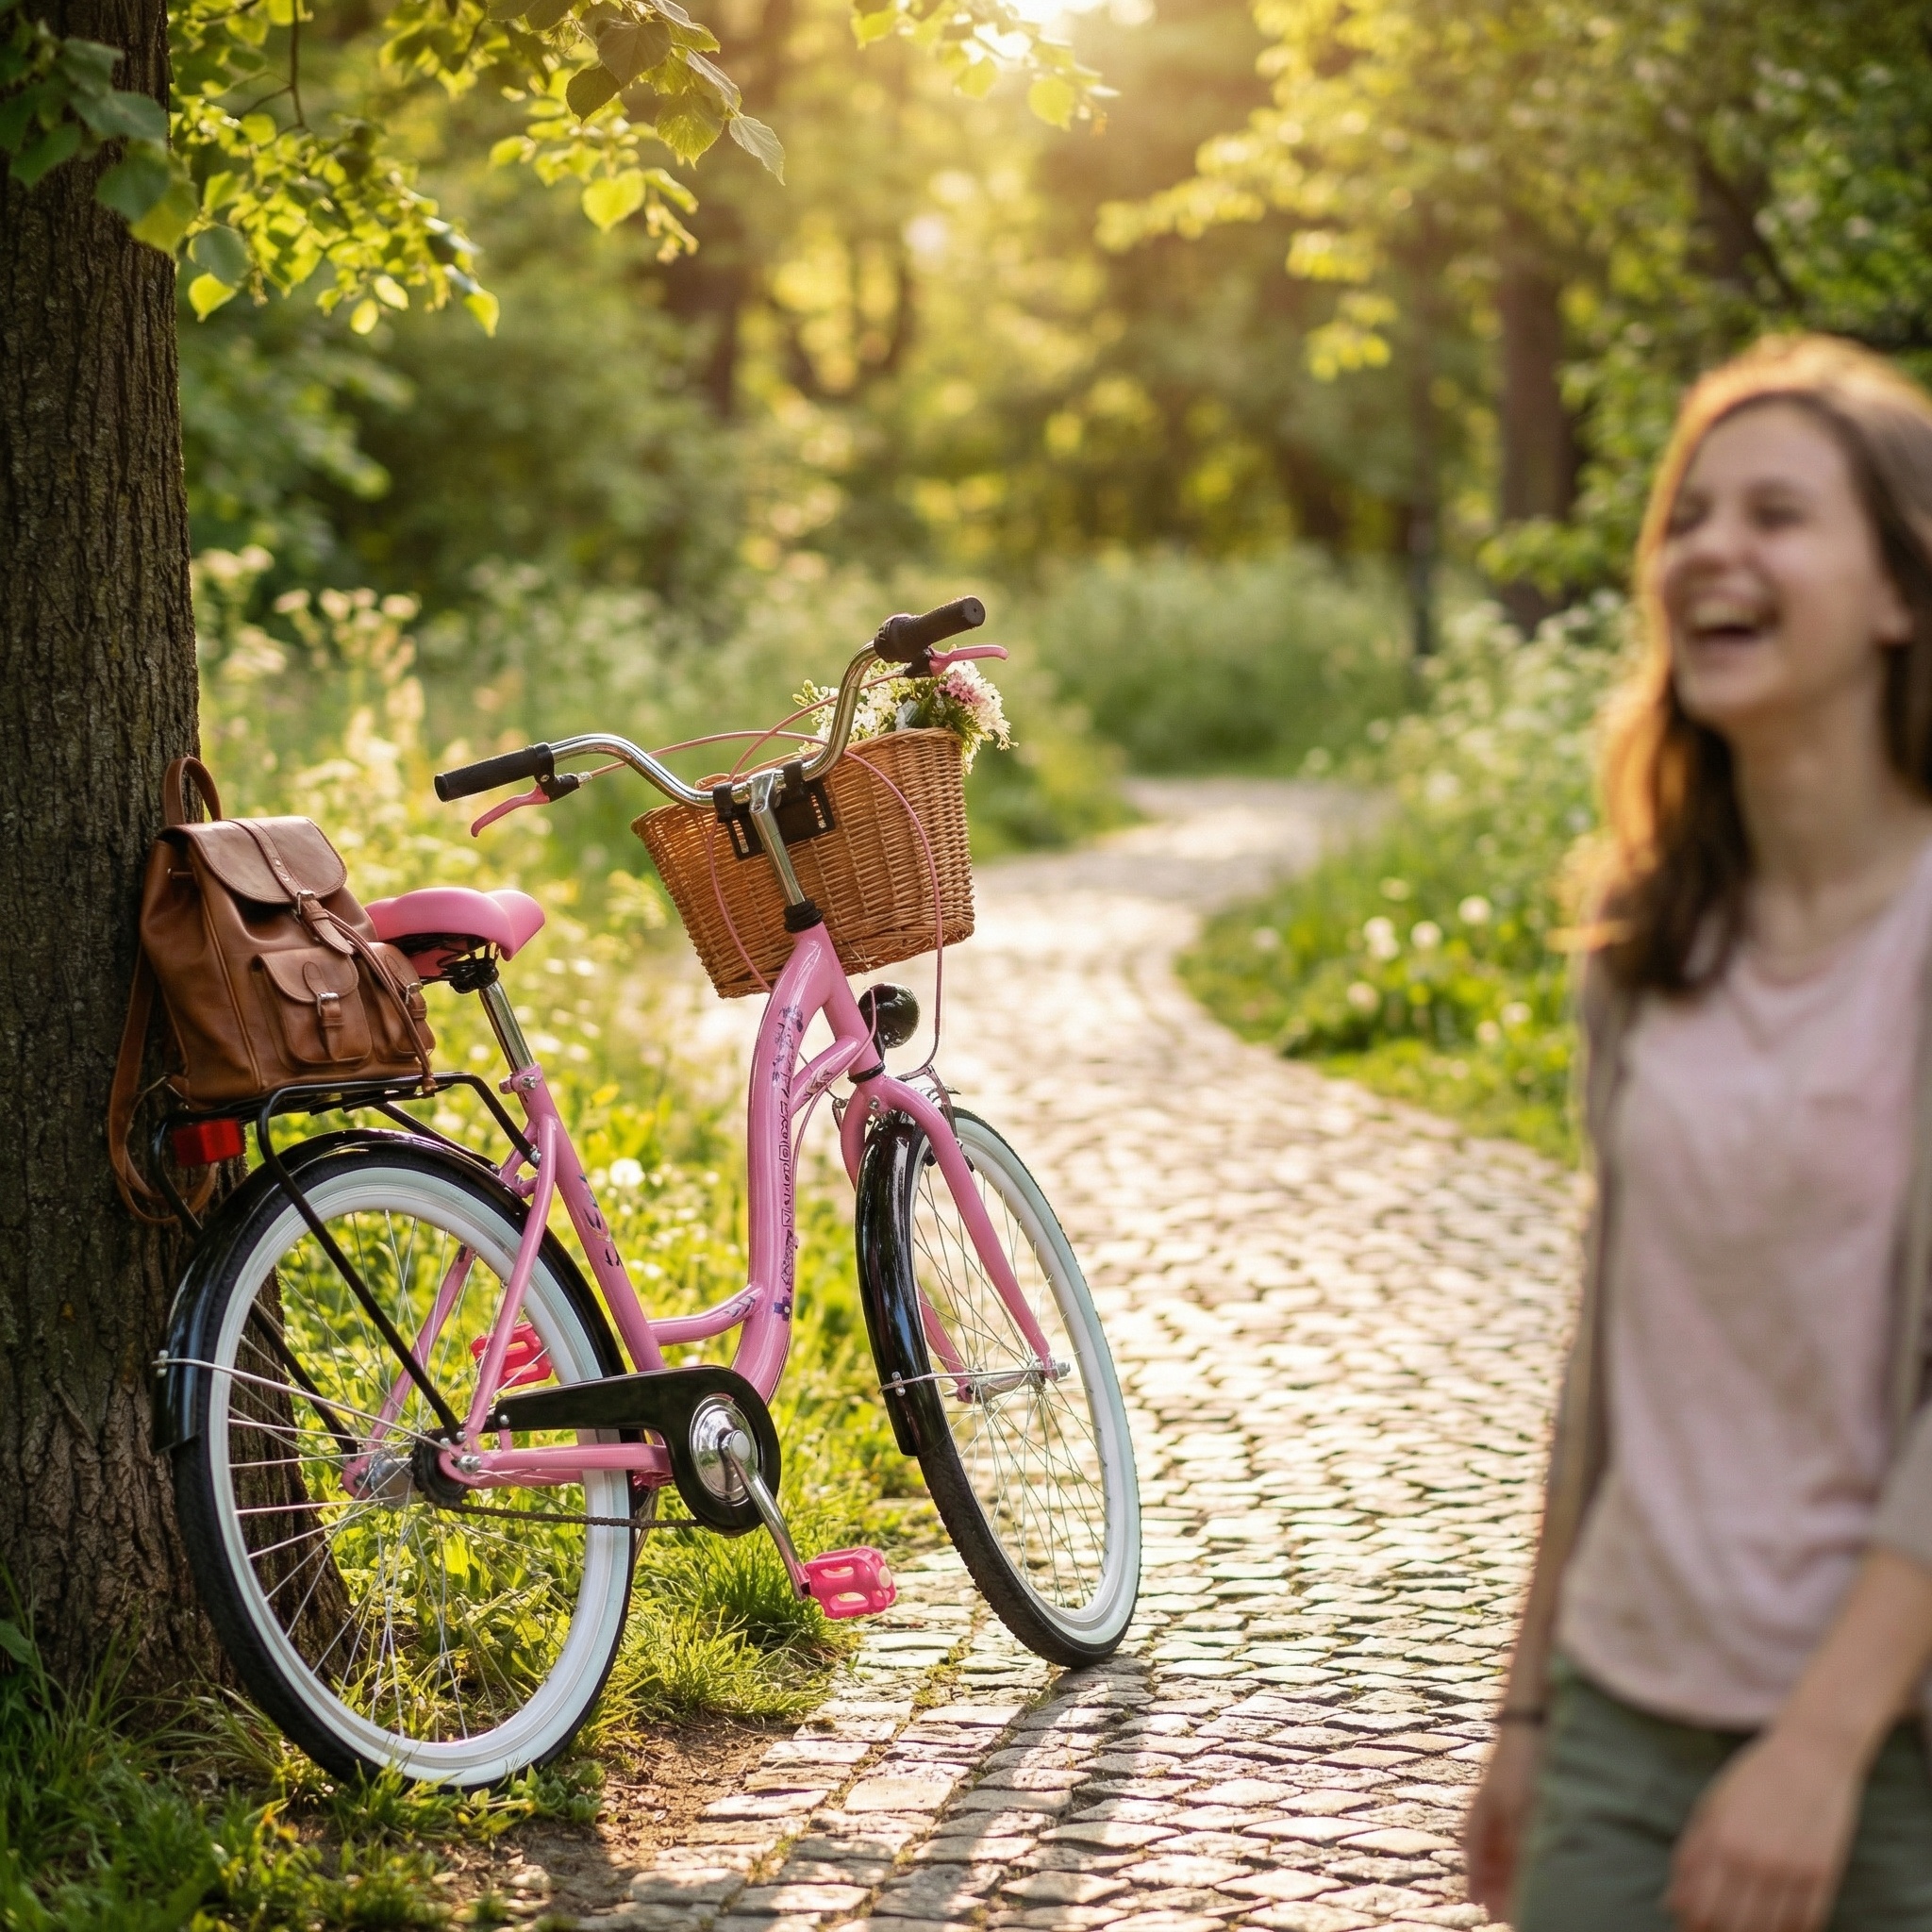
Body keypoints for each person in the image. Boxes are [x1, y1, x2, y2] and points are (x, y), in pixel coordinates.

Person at [1463, 334, 1932, 1932]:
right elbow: (1609, 1352)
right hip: (1620, 1711)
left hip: (1888, 1751)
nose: (1711, 551)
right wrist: (1530, 1709)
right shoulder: (1649, 940)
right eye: (1690, 514)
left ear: (1901, 596)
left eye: (1780, 515)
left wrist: (1819, 1745)